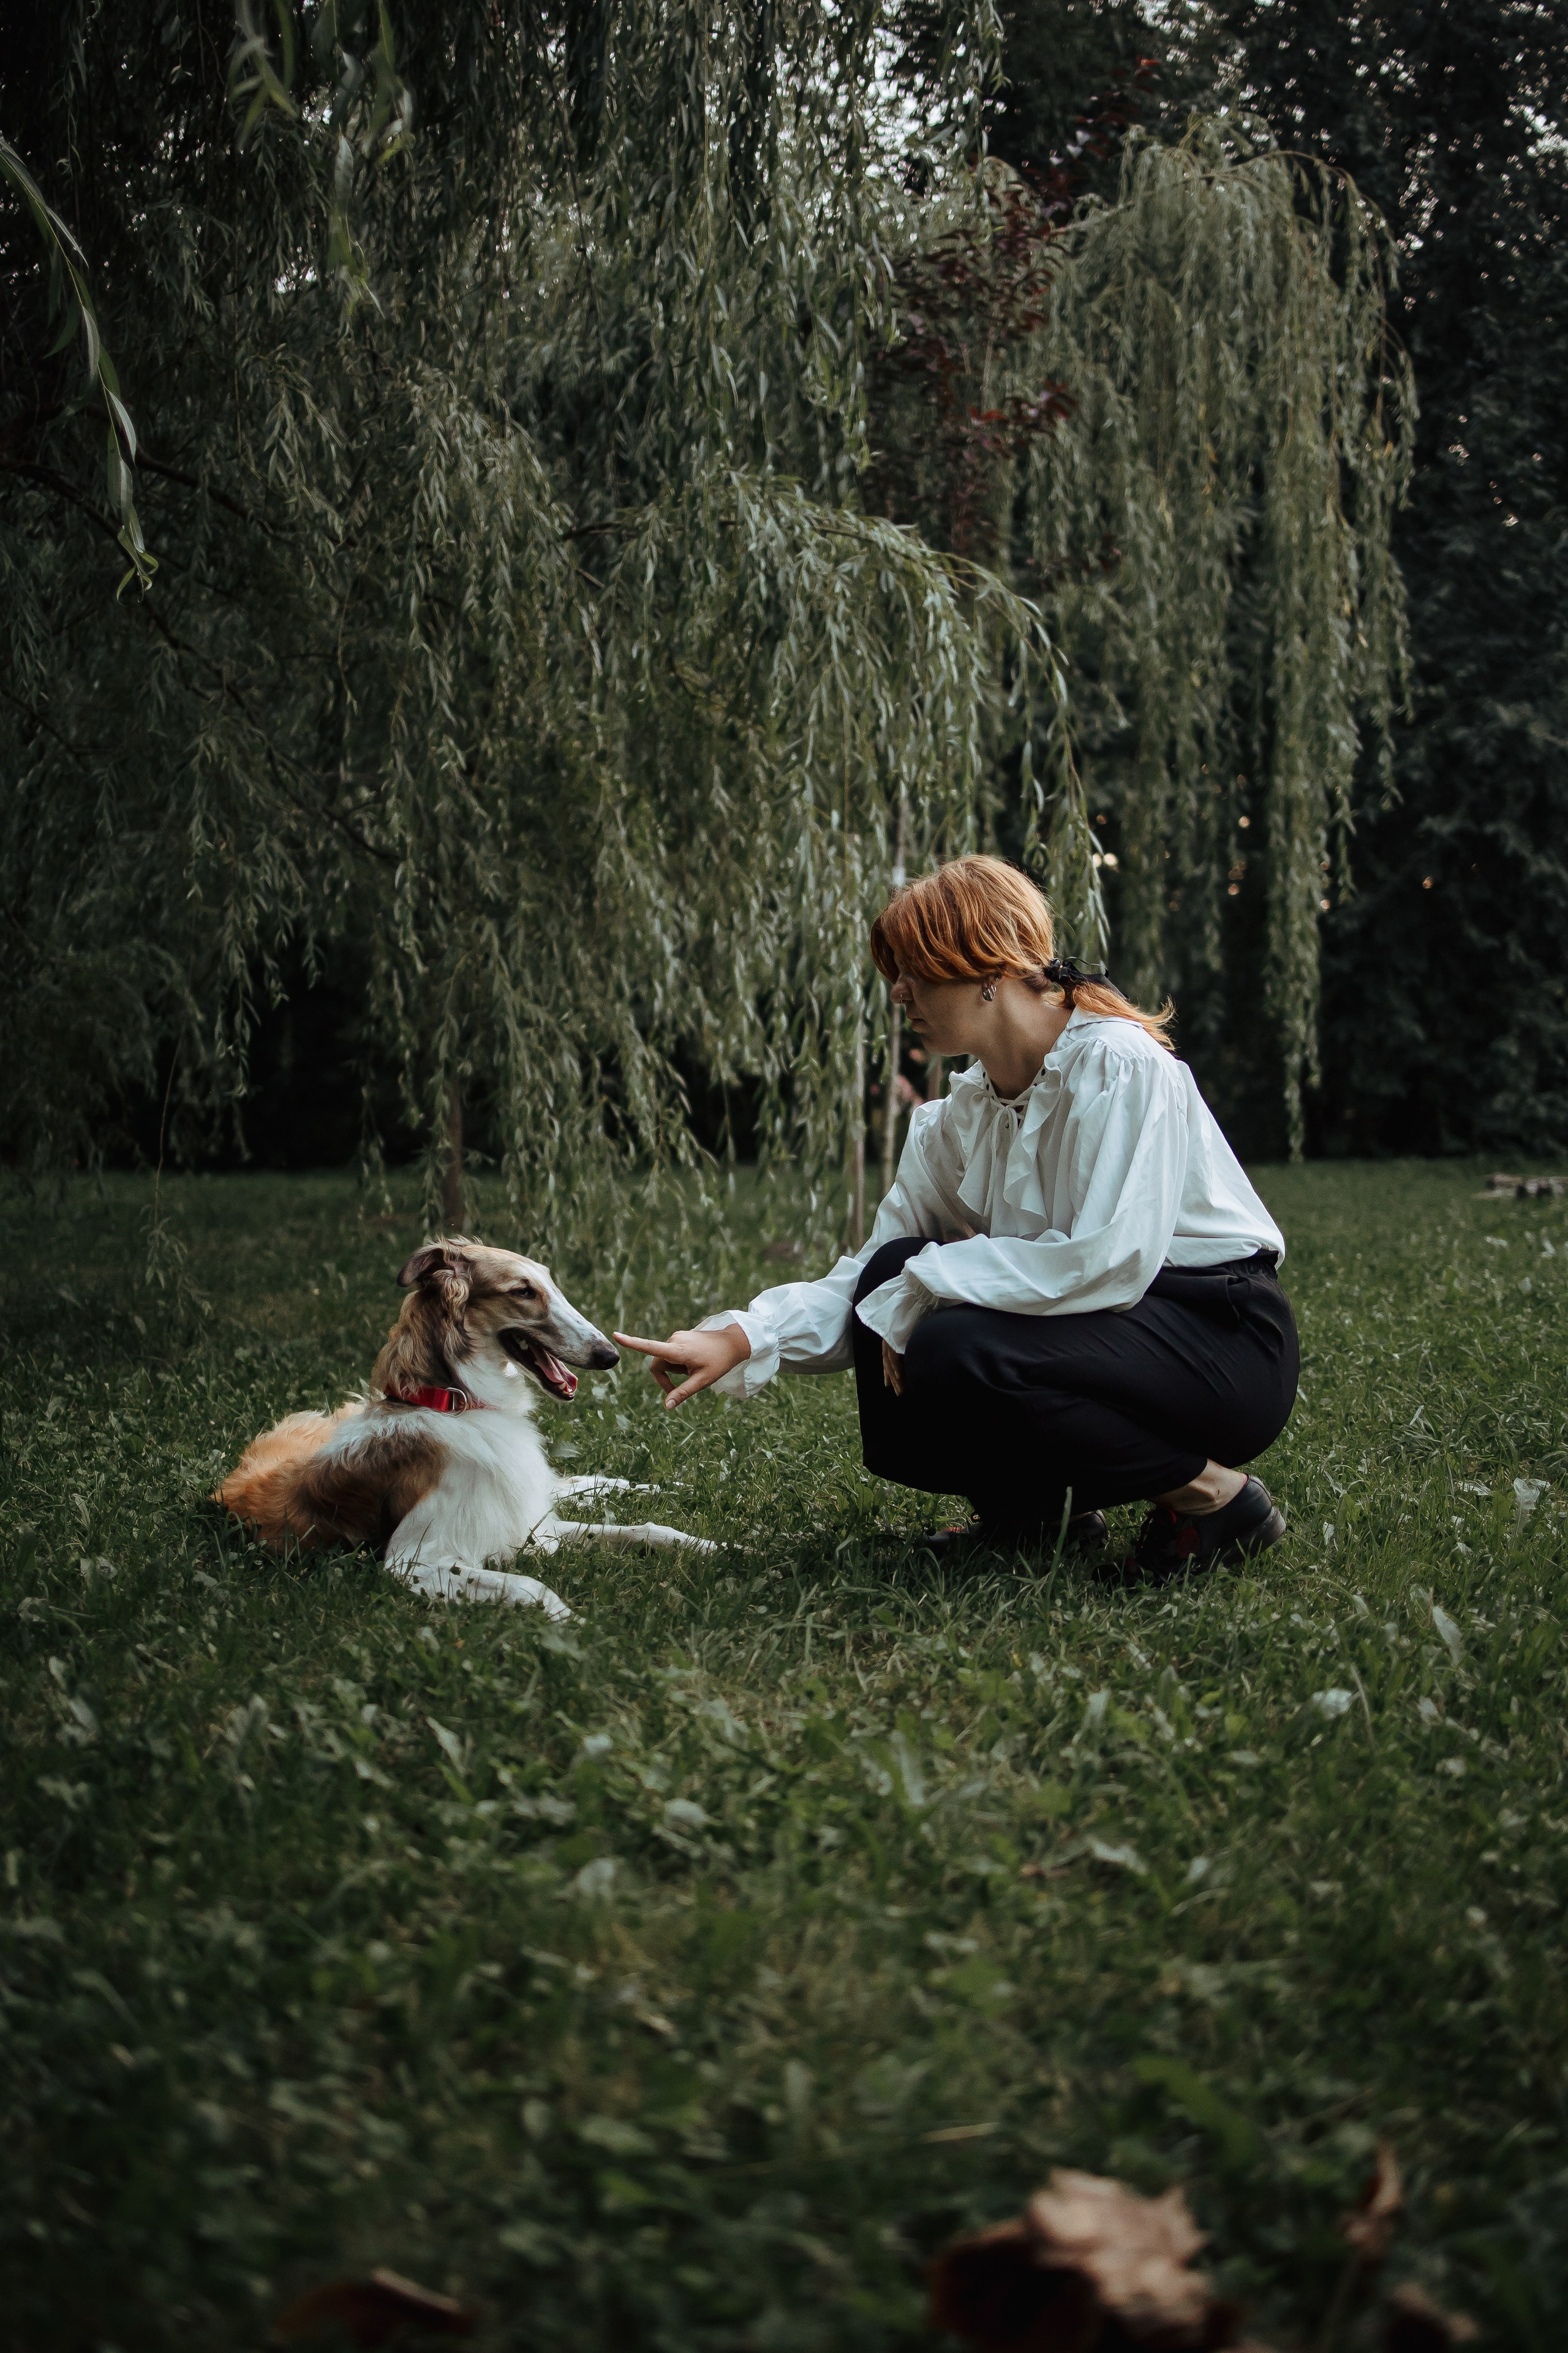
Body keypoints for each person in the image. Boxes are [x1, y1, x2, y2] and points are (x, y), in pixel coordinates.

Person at [617, 855, 1298, 1581]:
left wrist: (929, 1281)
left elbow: (1109, 1260)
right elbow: (876, 1273)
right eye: (894, 974)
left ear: (986, 967)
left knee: (950, 1337)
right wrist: (741, 1336)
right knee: (894, 1277)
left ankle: (1216, 1501)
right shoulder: (954, 1121)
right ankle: (1032, 1517)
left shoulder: (1119, 1066)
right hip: (1103, 1337)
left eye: (914, 969)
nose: (899, 992)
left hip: (1216, 1340)